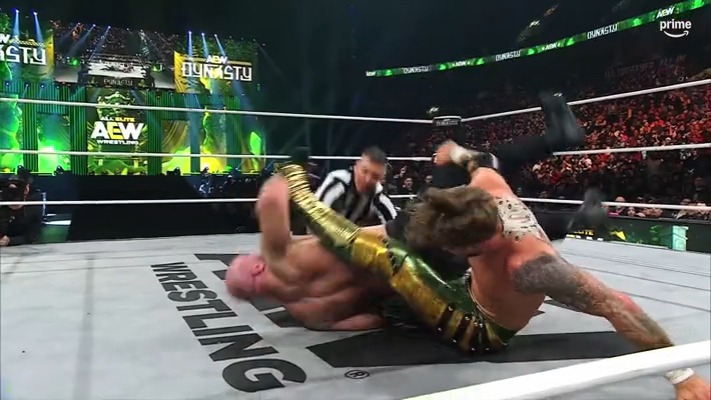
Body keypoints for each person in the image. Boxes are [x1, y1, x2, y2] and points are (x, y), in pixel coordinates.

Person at [274, 155, 710, 400]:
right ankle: (375, 301)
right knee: (389, 256)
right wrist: (453, 152)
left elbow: (618, 305)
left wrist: (682, 375)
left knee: (389, 256)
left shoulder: (532, 267)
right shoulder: (490, 187)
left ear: (480, 247)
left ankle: (299, 194)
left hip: (480, 327)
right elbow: (479, 160)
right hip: (464, 287)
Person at [226, 174, 392, 331]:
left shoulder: (308, 316)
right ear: (257, 268)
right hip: (396, 241)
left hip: (397, 289)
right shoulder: (285, 253)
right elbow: (272, 199)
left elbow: (370, 321)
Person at [314, 146, 397, 225]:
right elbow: (315, 215)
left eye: (375, 176)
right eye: (364, 171)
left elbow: (396, 227)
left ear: (381, 178)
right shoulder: (338, 181)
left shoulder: (378, 196)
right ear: (356, 166)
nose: (367, 179)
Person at [0, 174, 43, 246]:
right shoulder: (2, 209)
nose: (12, 192)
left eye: (17, 187)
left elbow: (32, 236)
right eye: (9, 188)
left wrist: (10, 241)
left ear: (26, 190)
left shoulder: (33, 209)